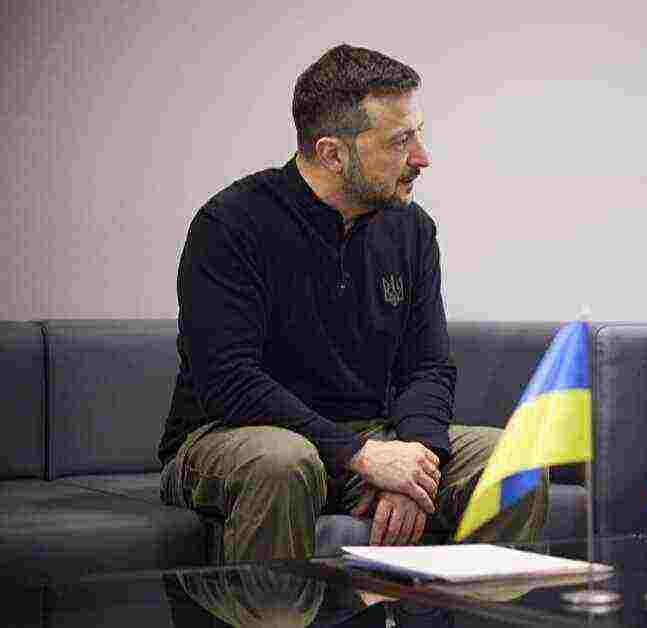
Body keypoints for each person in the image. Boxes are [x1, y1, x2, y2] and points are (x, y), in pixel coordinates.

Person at [158, 44, 546, 563]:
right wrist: (361, 456)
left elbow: (427, 367)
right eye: (400, 141)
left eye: (418, 134)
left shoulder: (412, 230)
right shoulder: (230, 224)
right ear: (332, 154)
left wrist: (415, 467)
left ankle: (470, 607)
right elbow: (230, 381)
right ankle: (269, 607)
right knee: (283, 461)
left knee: (511, 461)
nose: (422, 157)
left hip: (369, 436)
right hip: (234, 437)